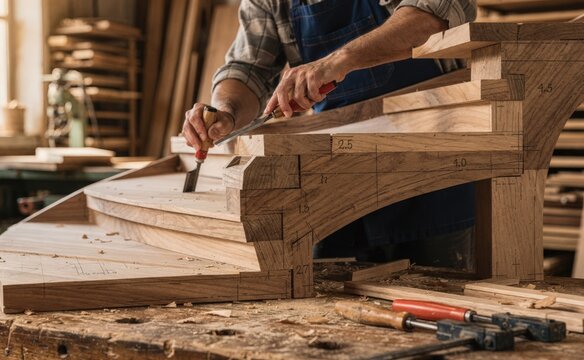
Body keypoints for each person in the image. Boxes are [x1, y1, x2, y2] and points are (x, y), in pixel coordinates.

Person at [183, 0, 478, 269]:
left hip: (434, 173)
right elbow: (249, 68)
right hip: (337, 184)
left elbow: (431, 15)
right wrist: (226, 112)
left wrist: (341, 60)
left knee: (440, 297)